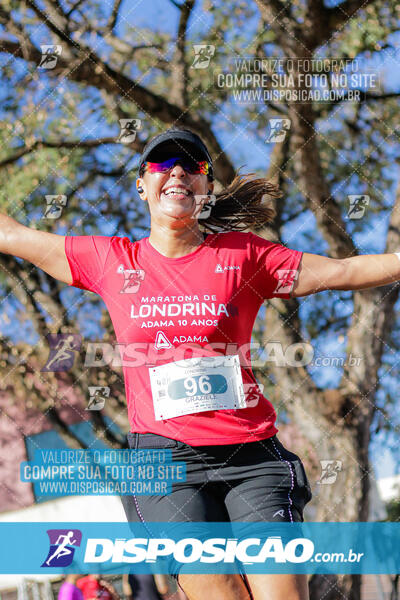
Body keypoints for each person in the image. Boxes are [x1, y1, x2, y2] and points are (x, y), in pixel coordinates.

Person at [2, 127, 400, 600]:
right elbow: (10, 233)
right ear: (142, 185)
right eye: (162, 164)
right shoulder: (110, 260)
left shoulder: (245, 256)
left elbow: (343, 271)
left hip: (251, 457)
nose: (177, 172)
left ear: (207, 187)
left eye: (192, 166)